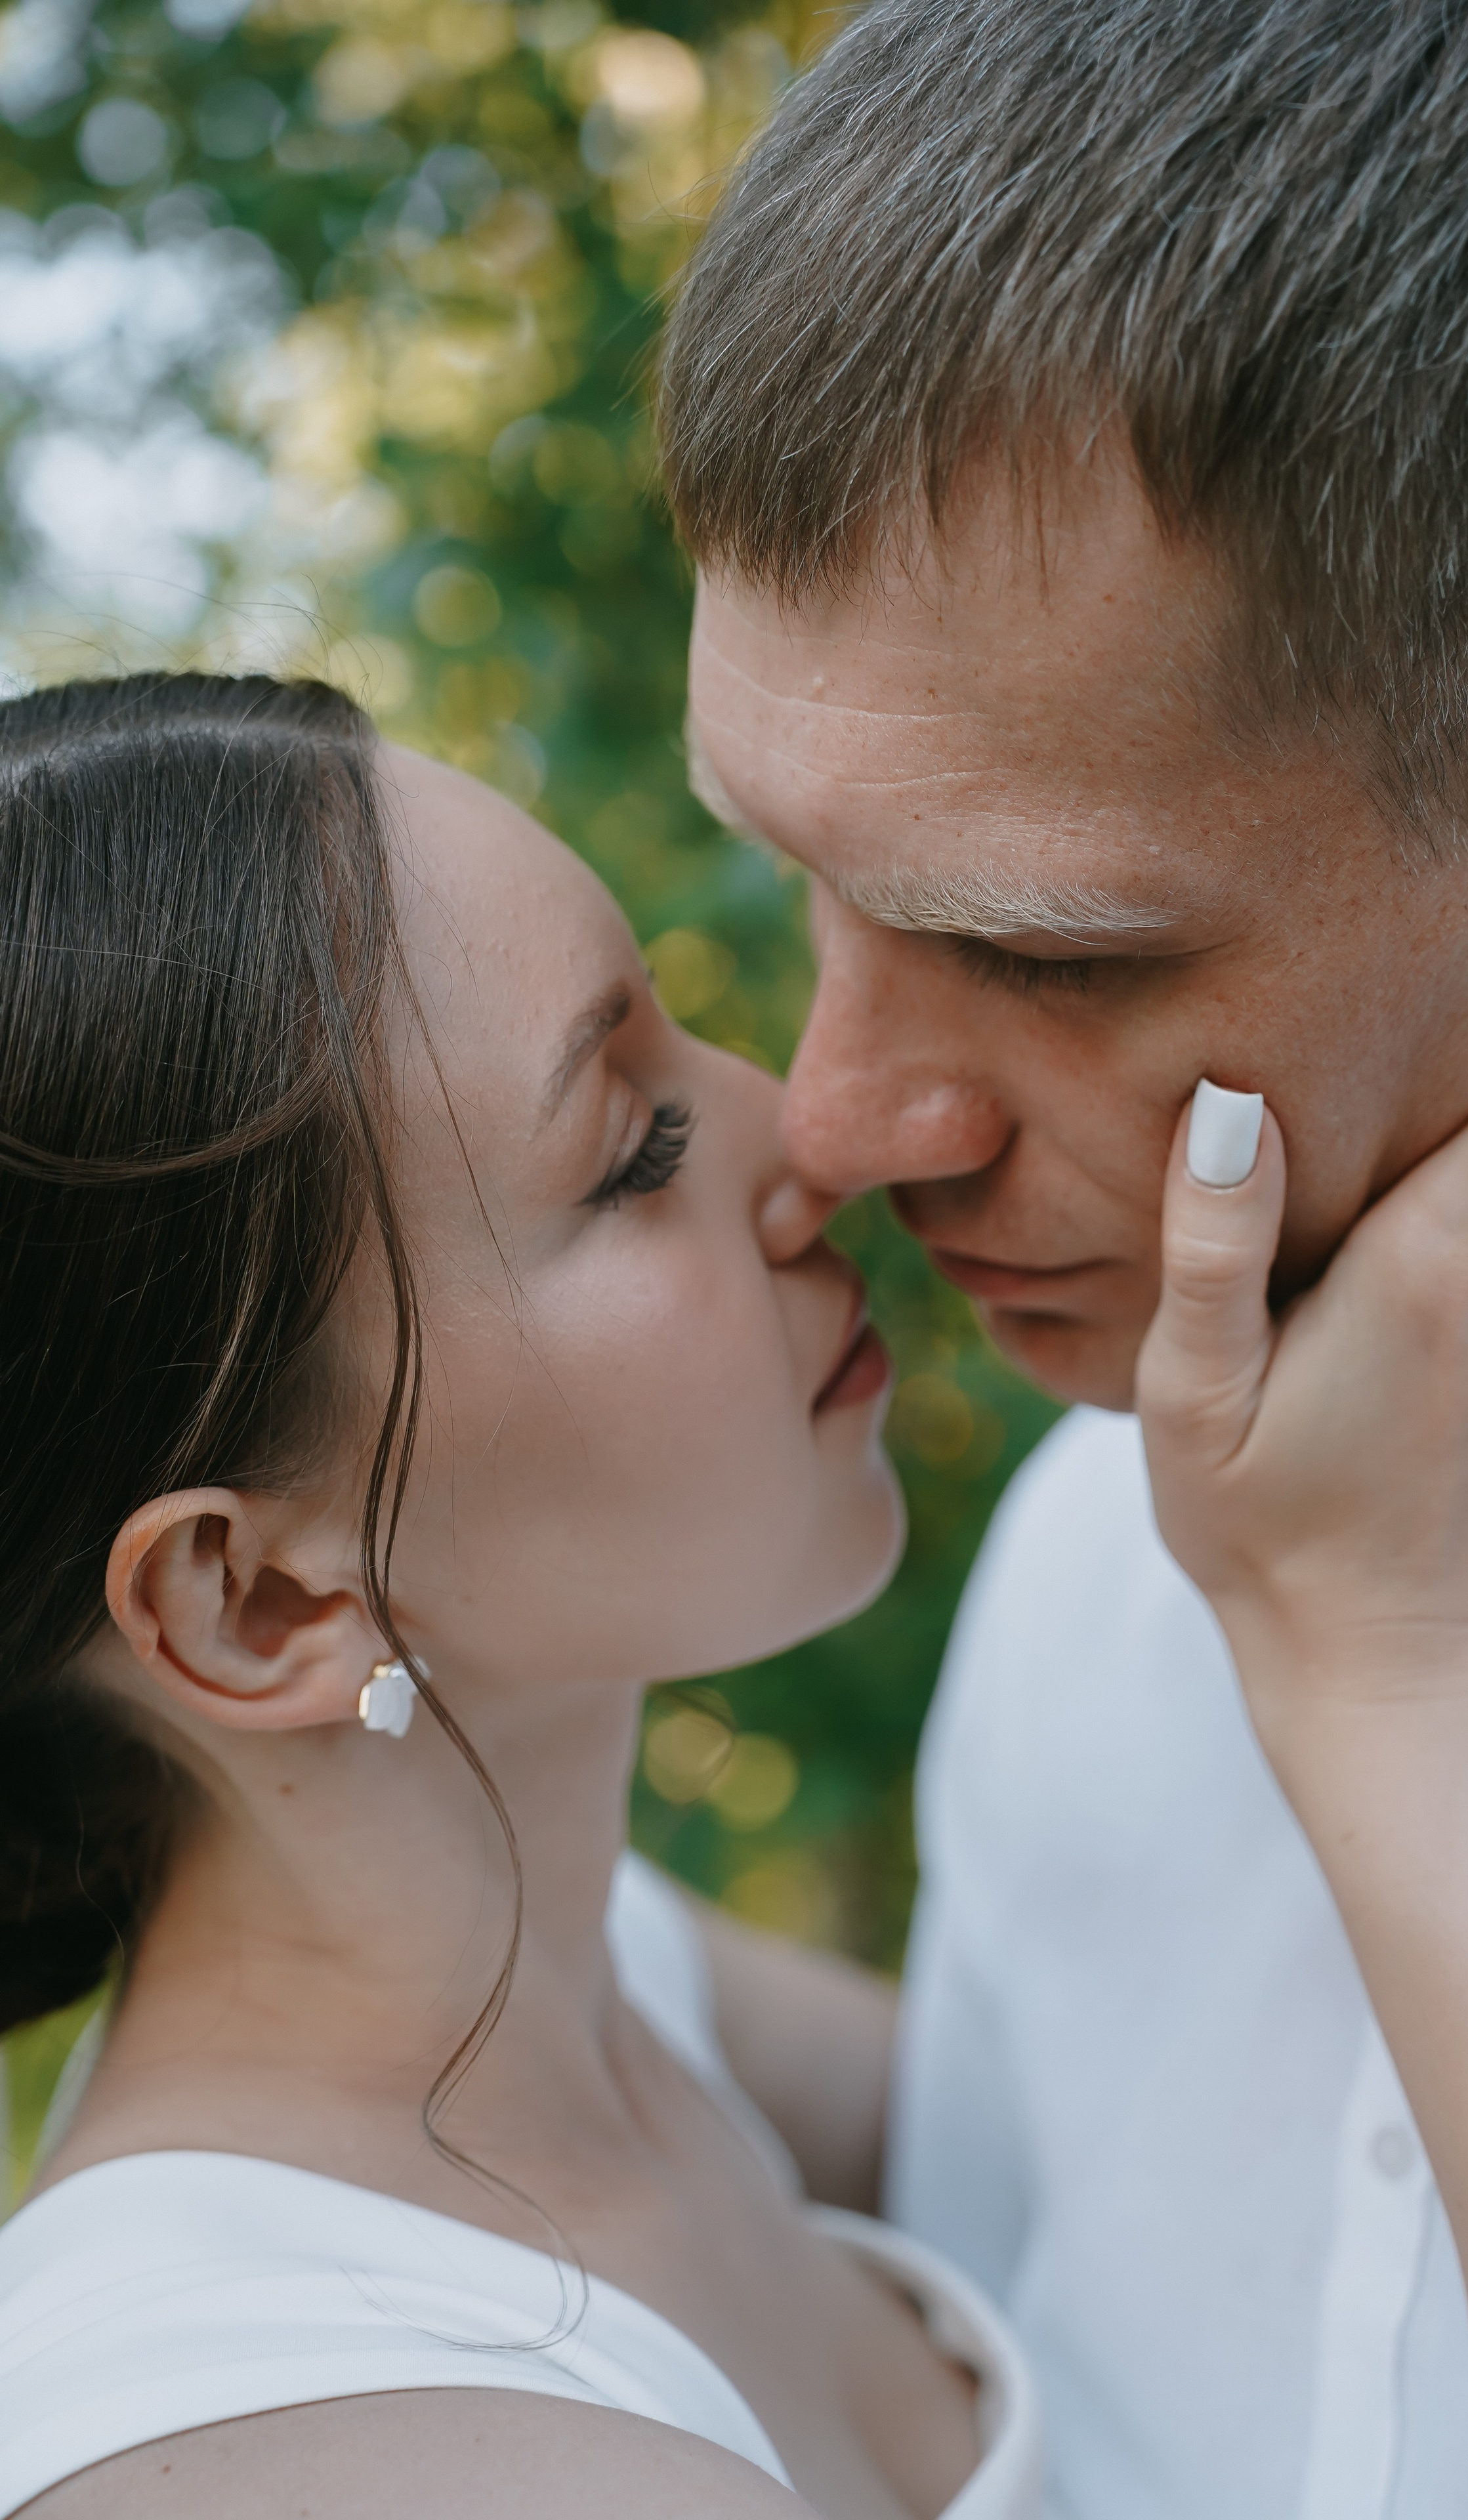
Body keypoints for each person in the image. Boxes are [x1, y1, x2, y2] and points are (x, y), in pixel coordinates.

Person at [655, 1, 1468, 2513]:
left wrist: (1404, 1683)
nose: (838, 1122)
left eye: (1049, 953)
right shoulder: (1087, 1552)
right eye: (807, 882)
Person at [0, 674, 1036, 2519]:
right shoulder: (318, 2456)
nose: (814, 1136)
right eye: (635, 1151)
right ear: (256, 1605)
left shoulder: (614, 1988)